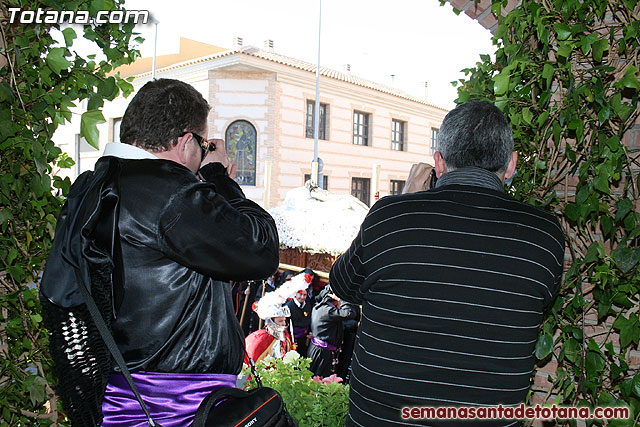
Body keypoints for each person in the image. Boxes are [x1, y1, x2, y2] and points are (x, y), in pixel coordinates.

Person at [39, 78, 280, 426]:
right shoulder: (170, 192)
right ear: (185, 142)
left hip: (118, 397)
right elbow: (261, 250)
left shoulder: (95, 185)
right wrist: (217, 176)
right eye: (203, 144)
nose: (202, 154)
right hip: (176, 406)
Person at [329, 100, 565, 426]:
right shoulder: (543, 235)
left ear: (438, 163)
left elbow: (342, 283)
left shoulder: (390, 218)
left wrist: (406, 199)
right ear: (510, 166)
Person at [245, 272, 311, 363]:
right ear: (271, 321)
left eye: (284, 320)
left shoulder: (286, 336)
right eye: (280, 321)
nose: (284, 324)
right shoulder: (258, 339)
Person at [307, 285, 357, 378]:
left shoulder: (323, 309)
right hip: (321, 352)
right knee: (319, 381)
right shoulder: (326, 310)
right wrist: (341, 300)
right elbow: (349, 313)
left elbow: (335, 326)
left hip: (324, 351)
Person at [285, 286, 312, 356]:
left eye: (305, 295)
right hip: (293, 338)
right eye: (300, 294)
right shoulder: (289, 306)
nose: (302, 297)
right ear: (295, 294)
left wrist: (310, 332)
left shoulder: (308, 305)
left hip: (305, 338)